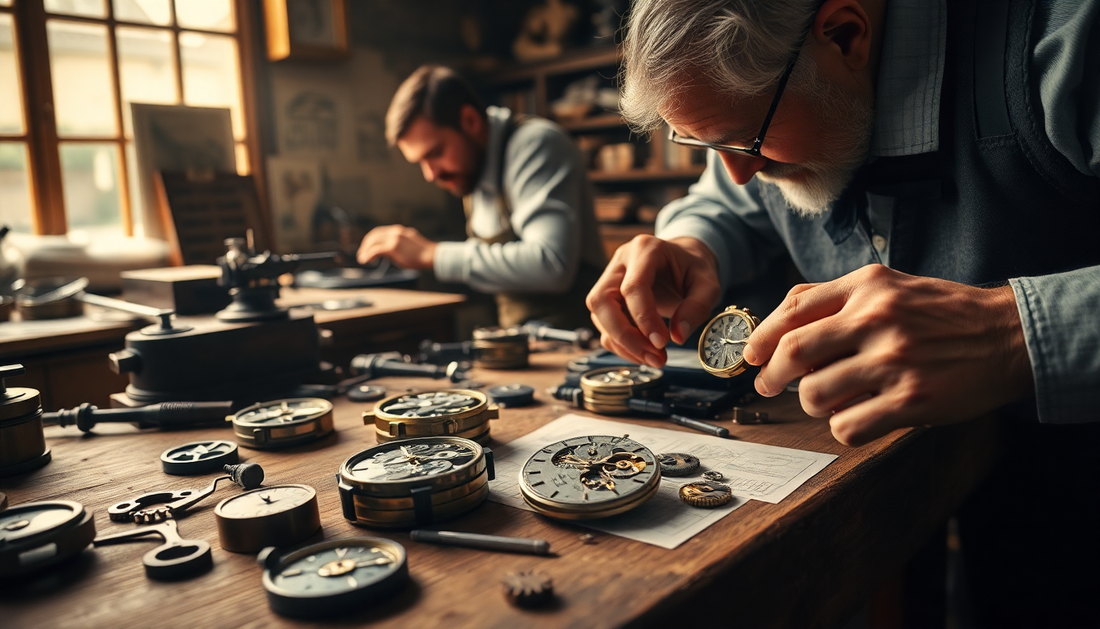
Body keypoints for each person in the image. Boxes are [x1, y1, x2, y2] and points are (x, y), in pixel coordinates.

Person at [589, 2, 1099, 626]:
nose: (741, 175)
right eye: (703, 142)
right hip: (918, 498)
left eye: (745, 142)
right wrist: (692, 240)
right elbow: (723, 198)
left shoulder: (1067, 40)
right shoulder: (764, 94)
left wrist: (1010, 333)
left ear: (846, 34)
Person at [358, 65, 606, 329]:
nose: (430, 175)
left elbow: (551, 264)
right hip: (525, 342)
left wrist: (433, 254)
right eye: (420, 162)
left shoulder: (535, 144)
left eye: (436, 153)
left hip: (581, 342)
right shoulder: (472, 168)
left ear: (470, 121)